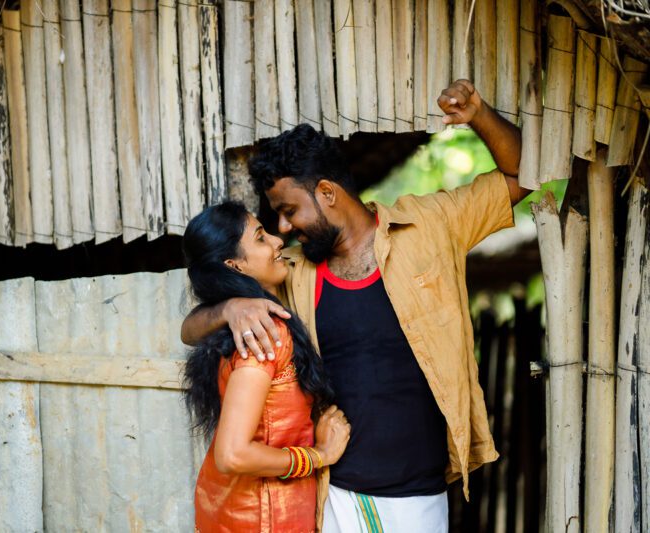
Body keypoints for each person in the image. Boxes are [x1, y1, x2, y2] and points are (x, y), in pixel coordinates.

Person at [181, 80, 531, 532]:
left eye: (289, 210)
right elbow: (191, 329)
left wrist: (479, 114)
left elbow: (522, 176)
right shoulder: (293, 272)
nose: (283, 227)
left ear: (327, 192)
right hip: (338, 496)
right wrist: (229, 309)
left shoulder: (431, 225)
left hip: (423, 494)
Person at [182, 201, 351, 532]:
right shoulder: (263, 333)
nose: (277, 240)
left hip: (231, 508)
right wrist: (319, 455)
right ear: (235, 265)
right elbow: (233, 454)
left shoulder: (236, 322)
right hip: (263, 516)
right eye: (260, 237)